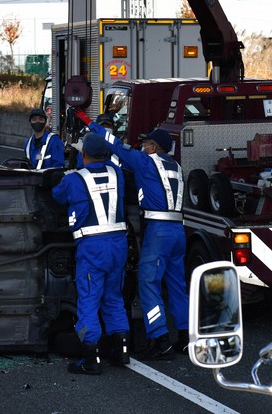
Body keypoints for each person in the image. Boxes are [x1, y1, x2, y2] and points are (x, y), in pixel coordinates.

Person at [78, 109, 189, 360]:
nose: (143, 145)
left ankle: (160, 340)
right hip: (178, 231)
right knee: (177, 286)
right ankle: (184, 338)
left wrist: (89, 123)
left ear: (154, 147)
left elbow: (114, 145)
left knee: (149, 284)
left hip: (158, 232)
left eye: (147, 143)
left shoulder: (146, 161)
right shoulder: (176, 166)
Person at [52, 132, 130, 375]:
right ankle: (122, 351)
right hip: (118, 244)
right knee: (114, 298)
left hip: (92, 247)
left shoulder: (75, 179)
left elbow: (58, 195)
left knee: (88, 300)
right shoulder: (116, 173)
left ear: (82, 153)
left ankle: (90, 358)